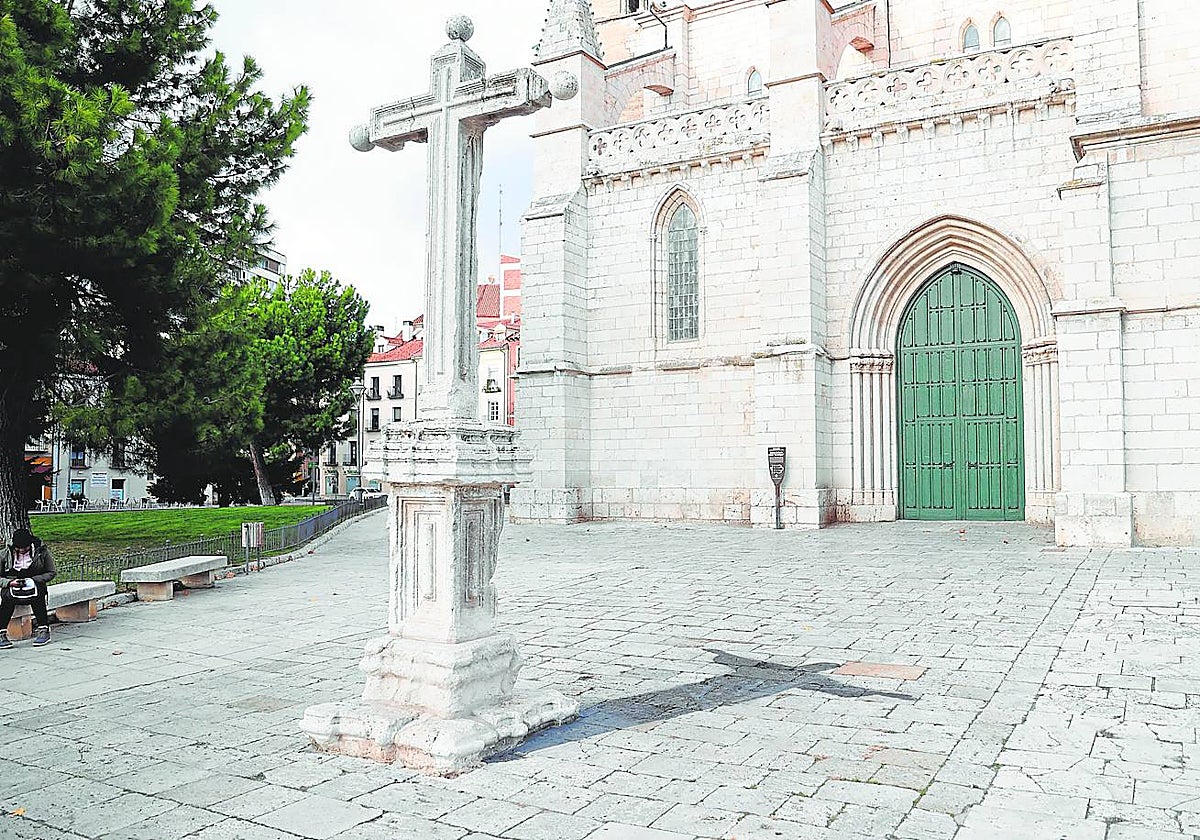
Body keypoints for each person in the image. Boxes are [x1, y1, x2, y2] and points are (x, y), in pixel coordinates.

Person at [0, 528, 56, 648]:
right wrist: (10, 582)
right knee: (6, 599)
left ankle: (43, 630)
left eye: (24, 548)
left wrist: (34, 580)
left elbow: (51, 572)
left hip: (34, 582)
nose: (21, 551)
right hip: (13, 584)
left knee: (38, 596)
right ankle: (1, 634)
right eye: (18, 549)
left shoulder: (41, 552)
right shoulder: (4, 554)